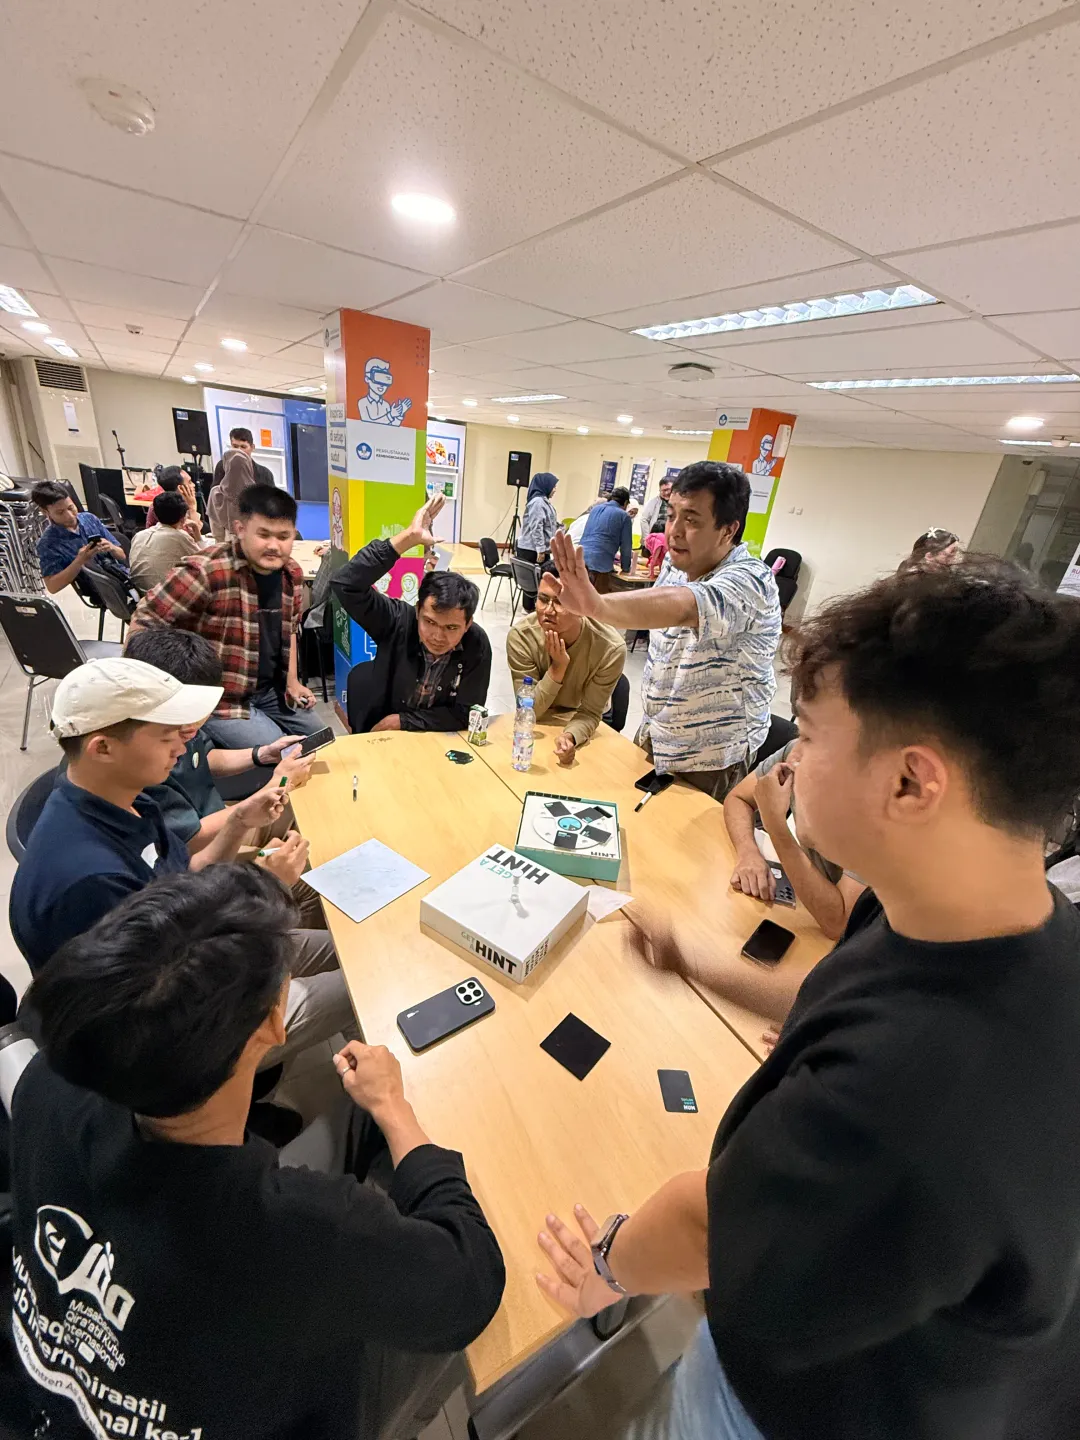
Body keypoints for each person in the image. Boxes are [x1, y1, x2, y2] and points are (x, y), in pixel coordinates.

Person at [536, 557, 1080, 1440]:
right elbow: (836, 991)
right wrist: (697, 961)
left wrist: (605, 1265)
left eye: (813, 734)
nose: (791, 754)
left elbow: (705, 1223)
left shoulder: (912, 1089)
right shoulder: (965, 917)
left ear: (911, 782)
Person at [10, 865, 505, 1440]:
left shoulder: (45, 1084)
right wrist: (392, 1107)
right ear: (276, 1020)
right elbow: (470, 1282)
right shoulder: (297, 1230)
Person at [8, 657, 354, 1066]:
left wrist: (240, 820)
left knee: (349, 948)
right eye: (165, 736)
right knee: (359, 980)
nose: (183, 746)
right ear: (102, 747)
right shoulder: (91, 879)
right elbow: (170, 987)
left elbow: (184, 878)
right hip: (164, 1035)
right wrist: (267, 887)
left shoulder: (127, 797)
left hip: (187, 955)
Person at [552, 461, 781, 801]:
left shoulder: (751, 580)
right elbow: (658, 611)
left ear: (728, 530)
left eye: (691, 520)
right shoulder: (676, 565)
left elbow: (687, 605)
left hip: (710, 755)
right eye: (672, 515)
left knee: (682, 849)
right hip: (657, 733)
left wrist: (597, 605)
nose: (674, 530)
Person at [130, 484, 323, 752]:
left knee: (322, 740)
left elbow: (290, 629)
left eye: (284, 536)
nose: (274, 546)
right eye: (263, 534)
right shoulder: (205, 571)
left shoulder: (291, 573)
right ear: (240, 529)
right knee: (284, 753)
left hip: (270, 690)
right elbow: (144, 624)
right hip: (220, 699)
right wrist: (172, 698)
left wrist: (292, 681)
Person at [124, 625, 313, 856]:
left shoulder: (180, 724)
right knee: (310, 870)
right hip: (204, 850)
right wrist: (277, 783)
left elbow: (203, 757)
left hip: (221, 818)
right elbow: (192, 844)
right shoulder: (143, 765)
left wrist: (263, 754)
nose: (190, 731)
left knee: (310, 814)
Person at [332, 494, 491, 733]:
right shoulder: (397, 620)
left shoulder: (476, 644)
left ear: (468, 624)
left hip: (430, 737)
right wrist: (408, 538)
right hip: (378, 732)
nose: (437, 636)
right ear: (418, 611)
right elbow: (346, 584)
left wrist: (403, 721)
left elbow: (467, 713)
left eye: (451, 628)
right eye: (429, 622)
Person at [723, 738, 865, 941]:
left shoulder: (874, 804)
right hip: (807, 907)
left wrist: (775, 824)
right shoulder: (797, 750)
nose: (795, 754)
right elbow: (738, 799)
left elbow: (838, 924)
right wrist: (748, 853)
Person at [506, 562, 626, 766]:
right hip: (538, 722)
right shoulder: (522, 637)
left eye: (560, 602)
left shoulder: (610, 648)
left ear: (583, 607)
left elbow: (590, 712)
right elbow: (528, 710)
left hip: (580, 724)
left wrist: (570, 737)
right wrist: (557, 669)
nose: (548, 611)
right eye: (543, 600)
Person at [30, 479, 131, 596]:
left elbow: (122, 555)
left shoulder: (89, 519)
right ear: (45, 512)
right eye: (60, 512)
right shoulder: (48, 543)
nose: (70, 516)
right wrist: (79, 561)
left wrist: (112, 547)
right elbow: (52, 587)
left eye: (71, 507)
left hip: (120, 575)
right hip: (99, 590)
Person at [128, 490, 203, 591]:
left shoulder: (139, 535)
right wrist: (196, 530)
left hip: (139, 592)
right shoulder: (180, 536)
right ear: (183, 517)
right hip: (164, 596)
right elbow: (205, 561)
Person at [516, 471, 561, 613]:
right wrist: (541, 549)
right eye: (553, 486)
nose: (555, 489)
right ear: (545, 485)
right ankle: (529, 609)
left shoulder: (544, 502)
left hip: (537, 548)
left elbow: (548, 523)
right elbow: (537, 527)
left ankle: (532, 607)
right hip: (533, 549)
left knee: (539, 579)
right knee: (532, 581)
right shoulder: (538, 502)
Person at [579, 485, 633, 592]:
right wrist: (625, 568)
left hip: (581, 558)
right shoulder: (624, 516)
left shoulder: (595, 509)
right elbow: (626, 547)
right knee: (598, 601)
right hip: (600, 565)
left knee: (580, 597)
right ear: (626, 503)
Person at [209, 447, 256, 542]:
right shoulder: (257, 494)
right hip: (253, 546)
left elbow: (216, 531)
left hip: (227, 545)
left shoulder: (216, 493)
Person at [141, 463, 204, 533]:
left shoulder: (183, 502)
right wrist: (192, 507)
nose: (193, 485)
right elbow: (193, 536)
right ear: (180, 488)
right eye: (189, 482)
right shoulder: (163, 507)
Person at [638, 475, 674, 553]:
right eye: (663, 490)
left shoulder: (678, 503)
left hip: (669, 543)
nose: (666, 492)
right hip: (652, 543)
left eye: (668, 489)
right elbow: (644, 520)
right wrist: (647, 539)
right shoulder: (653, 502)